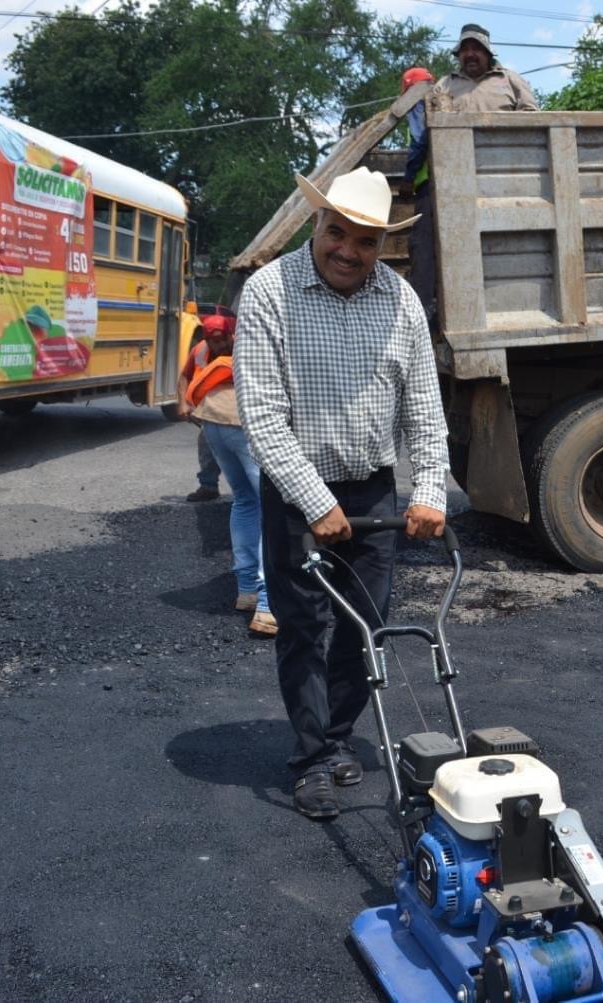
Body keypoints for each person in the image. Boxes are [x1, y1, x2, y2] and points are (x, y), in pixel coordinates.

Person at [235, 166, 449, 821]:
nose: (349, 251)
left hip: (375, 490)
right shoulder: (270, 292)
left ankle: (334, 737)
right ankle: (308, 761)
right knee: (302, 627)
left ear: (382, 244)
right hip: (300, 493)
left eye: (366, 241)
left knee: (367, 627)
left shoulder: (400, 299)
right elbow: (263, 415)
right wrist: (314, 501)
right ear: (316, 224)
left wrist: (431, 489)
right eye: (338, 233)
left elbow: (424, 407)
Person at [179, 314, 275, 637]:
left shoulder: (241, 334)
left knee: (246, 501)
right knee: (272, 508)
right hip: (241, 419)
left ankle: (247, 589)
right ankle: (267, 605)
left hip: (214, 420)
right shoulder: (268, 330)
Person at [399, 67, 437, 320]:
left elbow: (420, 139)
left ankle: (422, 310)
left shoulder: (418, 103)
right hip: (447, 182)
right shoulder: (440, 102)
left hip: (429, 186)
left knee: (422, 246)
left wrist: (409, 177)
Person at [433, 24, 538, 112]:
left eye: (476, 48)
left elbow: (533, 120)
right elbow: (433, 124)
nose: (470, 54)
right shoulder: (444, 85)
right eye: (464, 49)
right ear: (459, 55)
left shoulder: (512, 80)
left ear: (487, 54)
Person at [179, 331, 223, 502]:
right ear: (207, 340)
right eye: (215, 341)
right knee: (206, 444)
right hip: (209, 407)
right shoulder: (199, 350)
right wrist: (183, 403)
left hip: (236, 408)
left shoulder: (241, 345)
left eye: (223, 340)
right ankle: (208, 486)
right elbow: (185, 376)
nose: (220, 345)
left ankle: (254, 492)